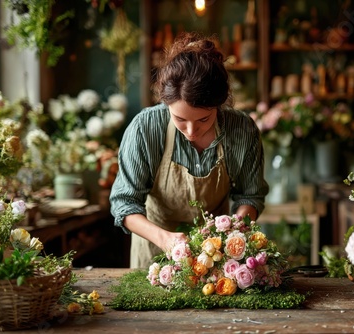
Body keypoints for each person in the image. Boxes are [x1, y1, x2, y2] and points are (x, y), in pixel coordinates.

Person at [109, 32, 269, 269]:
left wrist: (231, 234)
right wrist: (165, 239)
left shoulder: (241, 130)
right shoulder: (145, 128)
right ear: (166, 102)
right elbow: (124, 203)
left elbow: (250, 196)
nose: (192, 131)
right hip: (154, 252)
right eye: (180, 119)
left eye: (204, 119)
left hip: (216, 257)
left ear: (219, 104)